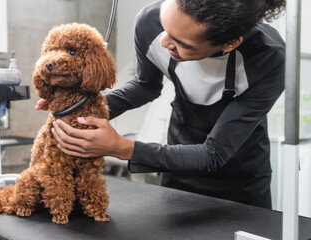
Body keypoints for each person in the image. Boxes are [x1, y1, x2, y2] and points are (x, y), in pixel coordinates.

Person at [36, 0, 286, 209]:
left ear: (230, 43)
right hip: (177, 172)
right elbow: (146, 85)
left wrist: (123, 148)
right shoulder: (150, 22)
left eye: (181, 43)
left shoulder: (268, 57)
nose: (164, 42)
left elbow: (214, 153)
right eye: (166, 28)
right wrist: (79, 108)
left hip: (240, 184)